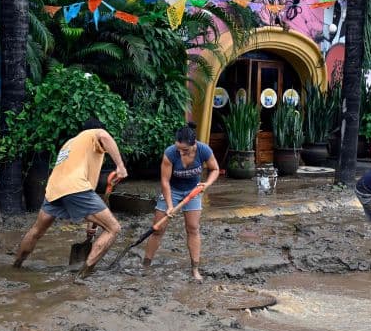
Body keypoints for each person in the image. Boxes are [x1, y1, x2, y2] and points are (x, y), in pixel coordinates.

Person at [13, 118, 128, 278]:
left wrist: (91, 223)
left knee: (36, 231)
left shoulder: (71, 144)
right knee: (113, 228)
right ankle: (82, 276)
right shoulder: (94, 134)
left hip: (54, 189)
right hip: (75, 187)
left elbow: (89, 190)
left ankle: (16, 266)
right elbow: (104, 135)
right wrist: (120, 166)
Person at [142, 124, 220, 282]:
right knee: (158, 229)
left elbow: (215, 169)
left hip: (193, 191)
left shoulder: (204, 150)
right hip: (172, 190)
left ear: (194, 144)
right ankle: (145, 265)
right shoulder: (170, 154)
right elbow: (165, 181)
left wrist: (207, 184)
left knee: (193, 229)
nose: (180, 152)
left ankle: (195, 269)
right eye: (179, 148)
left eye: (184, 150)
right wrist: (170, 205)